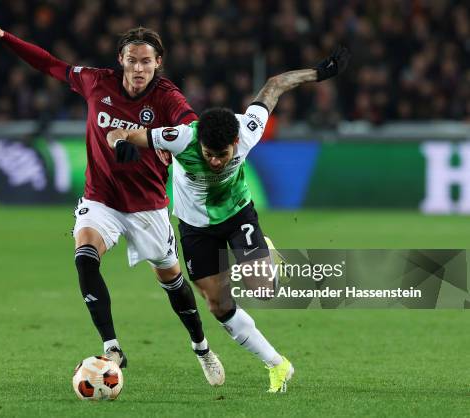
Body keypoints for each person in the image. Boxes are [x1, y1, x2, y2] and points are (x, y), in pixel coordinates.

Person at [0, 20, 224, 385]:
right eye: (132, 60)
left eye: (146, 62)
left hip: (148, 205)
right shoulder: (95, 82)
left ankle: (201, 347)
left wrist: (168, 144)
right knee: (85, 256)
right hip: (101, 198)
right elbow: (50, 64)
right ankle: (112, 346)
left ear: (158, 64)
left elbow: (190, 126)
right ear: (121, 59)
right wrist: (5, 38)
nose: (139, 68)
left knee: (172, 279)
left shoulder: (166, 97)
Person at [107, 46, 350, 393]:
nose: (216, 162)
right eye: (209, 155)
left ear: (236, 142)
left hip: (238, 216)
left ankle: (263, 252)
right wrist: (119, 145)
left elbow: (275, 85)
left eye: (222, 155)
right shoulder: (181, 137)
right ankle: (277, 364)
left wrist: (318, 74)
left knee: (264, 290)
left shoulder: (248, 129)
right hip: (194, 228)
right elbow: (119, 132)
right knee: (217, 304)